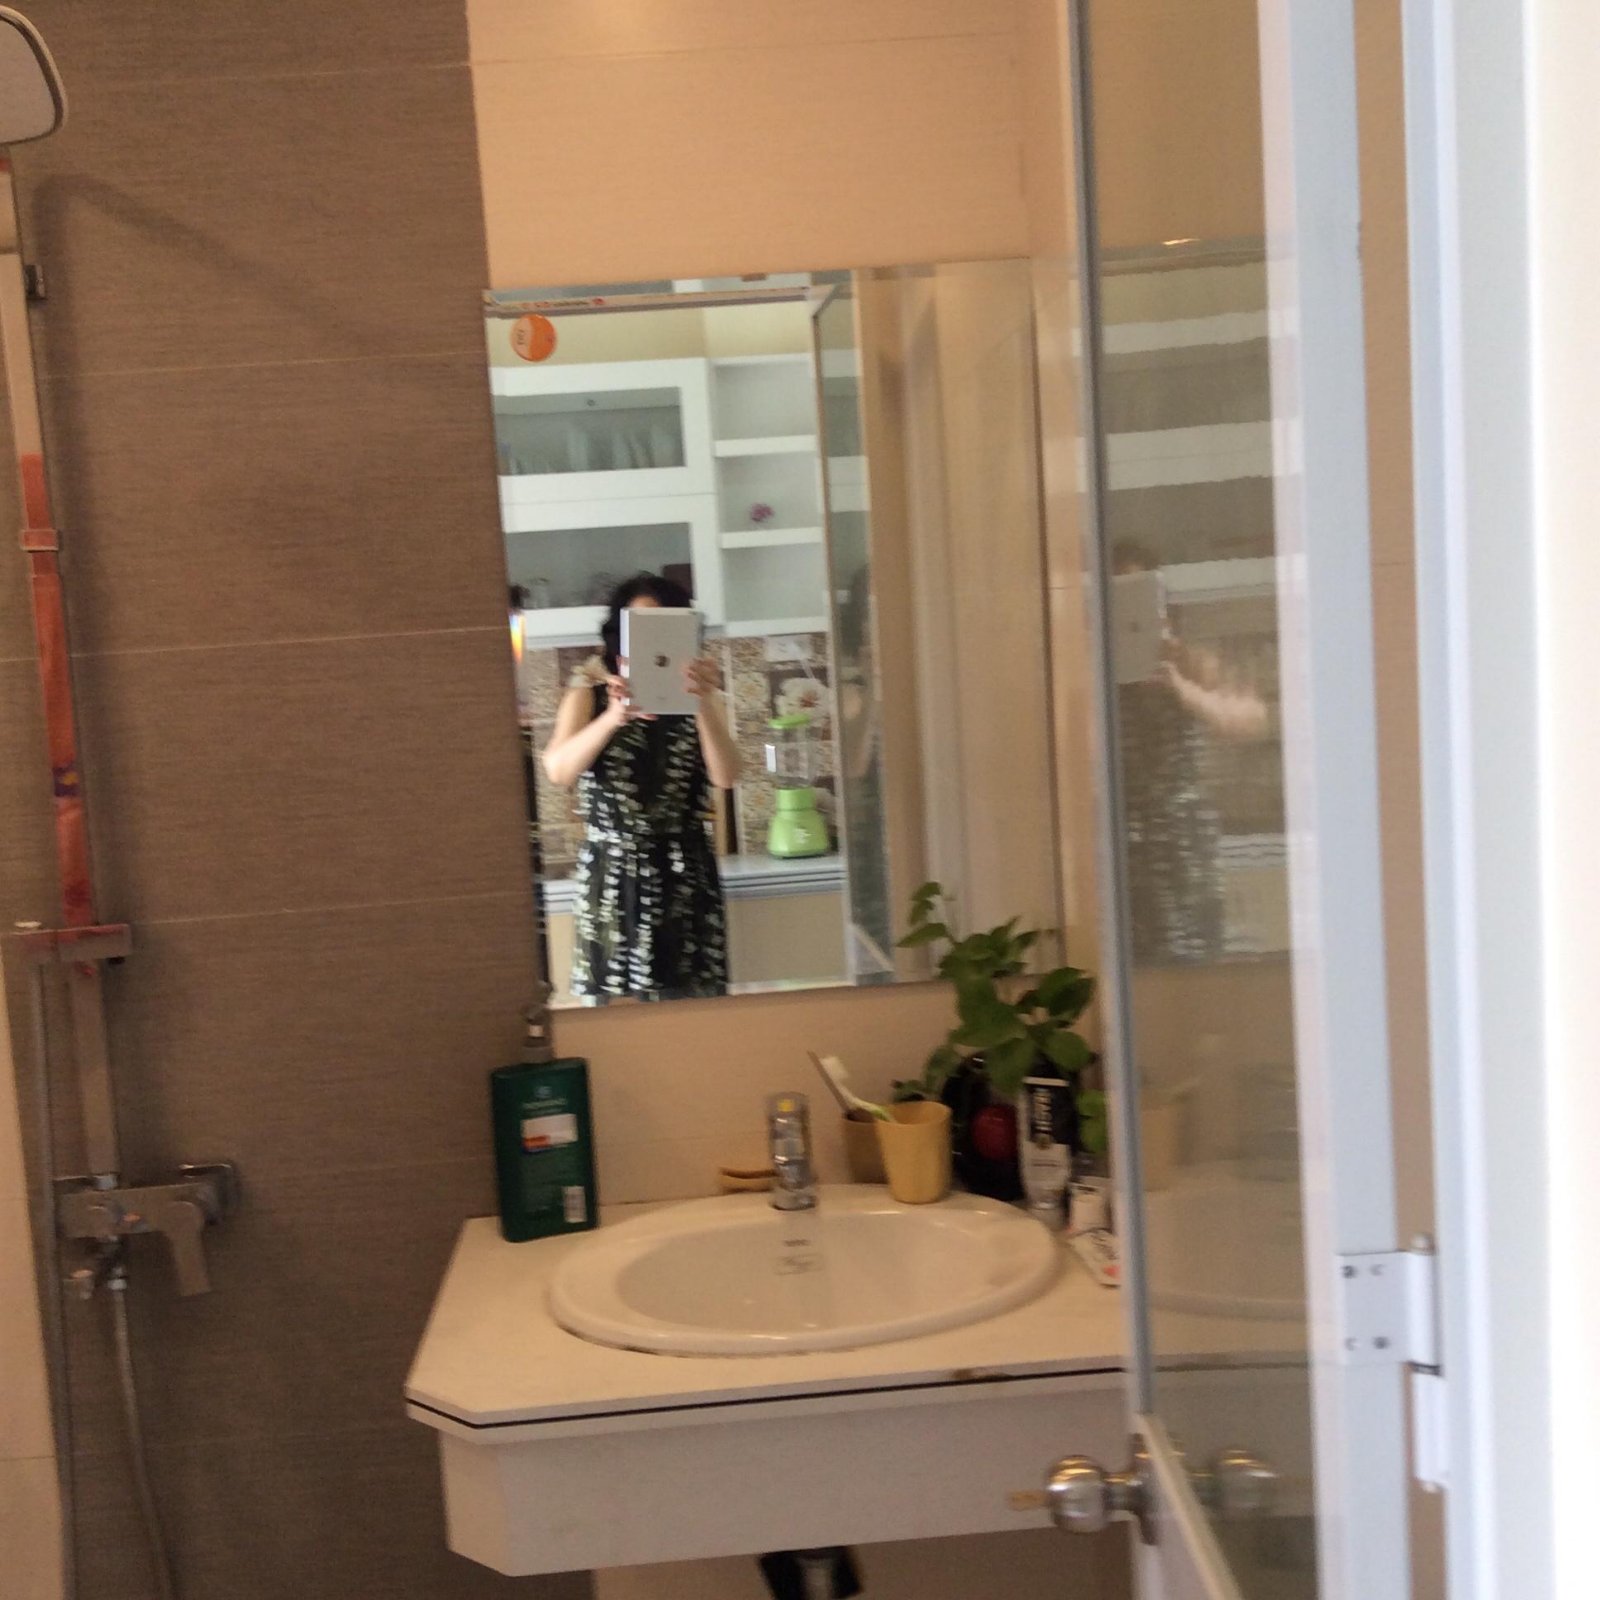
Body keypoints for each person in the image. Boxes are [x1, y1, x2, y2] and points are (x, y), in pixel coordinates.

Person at [541, 574, 741, 1001]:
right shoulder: (589, 695)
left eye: (665, 625)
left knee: (697, 1019)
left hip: (686, 875)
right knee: (614, 1019)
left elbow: (726, 776)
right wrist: (613, 718)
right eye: (639, 626)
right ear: (619, 632)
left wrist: (702, 702)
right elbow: (558, 771)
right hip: (612, 878)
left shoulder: (702, 698)